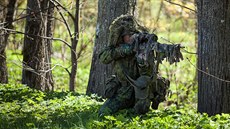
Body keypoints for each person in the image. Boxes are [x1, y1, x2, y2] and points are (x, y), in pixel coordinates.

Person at [98, 15, 182, 117]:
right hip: (123, 92)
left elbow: (156, 55)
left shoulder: (143, 48)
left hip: (141, 92)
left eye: (133, 35)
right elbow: (103, 57)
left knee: (139, 113)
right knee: (103, 112)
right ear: (121, 37)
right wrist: (125, 50)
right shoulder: (118, 48)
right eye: (128, 35)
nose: (131, 38)